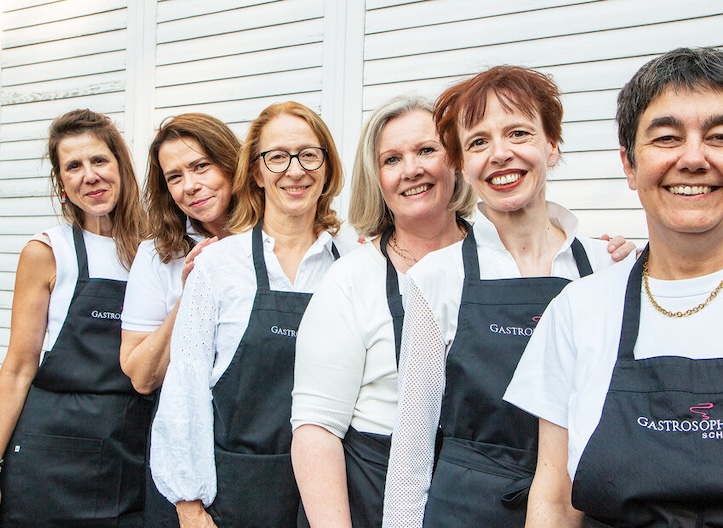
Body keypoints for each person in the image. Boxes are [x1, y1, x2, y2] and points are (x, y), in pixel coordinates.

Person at [504, 47, 723, 526]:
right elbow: (555, 496)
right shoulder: (579, 309)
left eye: (721, 137)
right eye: (666, 138)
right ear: (629, 165)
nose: (693, 158)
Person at [382, 66, 635, 527]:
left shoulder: (608, 267)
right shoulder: (436, 277)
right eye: (478, 141)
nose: (500, 154)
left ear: (551, 145)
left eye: (518, 132)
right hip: (466, 509)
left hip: (581, 507)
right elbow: (412, 447)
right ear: (460, 163)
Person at [150, 101, 355, 528]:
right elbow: (184, 388)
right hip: (238, 493)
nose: (295, 170)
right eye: (277, 157)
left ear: (327, 167)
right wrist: (189, 506)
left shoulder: (355, 264)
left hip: (334, 495)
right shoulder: (218, 266)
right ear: (257, 173)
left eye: (308, 154)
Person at [291, 95, 476, 527]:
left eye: (427, 150)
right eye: (392, 159)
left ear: (455, 159)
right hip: (371, 491)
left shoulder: (499, 262)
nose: (411, 169)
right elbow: (316, 430)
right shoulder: (351, 279)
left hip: (480, 491)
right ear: (377, 179)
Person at [0, 109, 148, 526]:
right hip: (48, 460)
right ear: (61, 182)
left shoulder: (155, 252)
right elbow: (16, 369)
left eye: (99, 160)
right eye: (73, 166)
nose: (90, 175)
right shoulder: (47, 251)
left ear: (120, 165)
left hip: (129, 454)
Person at [120, 113, 240, 527]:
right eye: (174, 177)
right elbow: (141, 375)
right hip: (182, 456)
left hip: (260, 447)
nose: (190, 186)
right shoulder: (158, 256)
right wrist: (189, 299)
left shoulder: (278, 239)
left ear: (232, 163)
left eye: (201, 166)